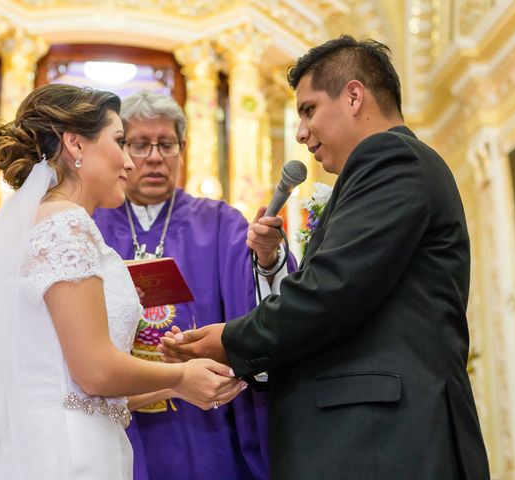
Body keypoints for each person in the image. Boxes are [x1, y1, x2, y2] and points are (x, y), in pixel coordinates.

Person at [160, 35, 491, 480]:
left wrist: (230, 340)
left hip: (384, 440)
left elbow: (330, 291)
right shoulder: (381, 169)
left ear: (354, 96)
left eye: (309, 109)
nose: (300, 132)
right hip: (371, 439)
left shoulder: (390, 158)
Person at [0, 84, 246, 480]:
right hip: (68, 452)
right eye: (121, 142)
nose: (129, 163)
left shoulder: (45, 221)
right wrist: (179, 374)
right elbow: (94, 372)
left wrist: (177, 388)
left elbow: (76, 384)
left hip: (64, 438)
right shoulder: (67, 226)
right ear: (75, 144)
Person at [92, 91, 293, 480]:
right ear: (122, 150)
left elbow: (263, 307)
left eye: (166, 144)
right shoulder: (93, 223)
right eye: (139, 144)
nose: (153, 157)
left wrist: (268, 259)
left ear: (182, 149)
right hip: (114, 412)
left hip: (203, 420)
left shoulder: (219, 222)